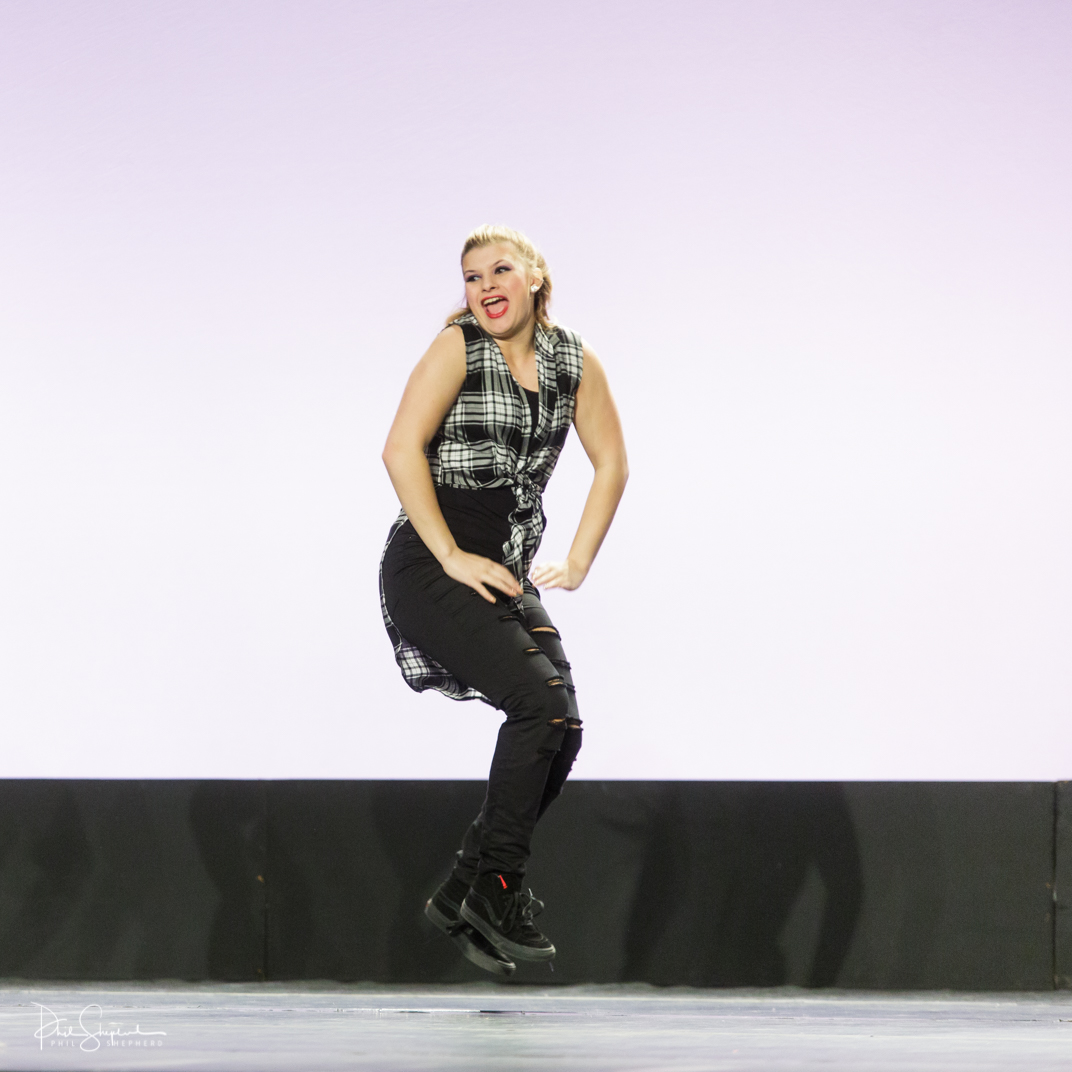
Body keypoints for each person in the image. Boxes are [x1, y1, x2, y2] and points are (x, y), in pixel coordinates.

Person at [379, 225, 628, 975]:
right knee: (538, 704)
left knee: (563, 727)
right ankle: (496, 889)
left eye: (499, 270)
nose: (484, 285)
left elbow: (613, 462)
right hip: (432, 561)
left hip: (501, 567)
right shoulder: (458, 347)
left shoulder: (572, 361)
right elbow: (399, 448)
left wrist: (578, 560)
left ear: (535, 278)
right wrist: (452, 554)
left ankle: (466, 883)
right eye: (471, 276)